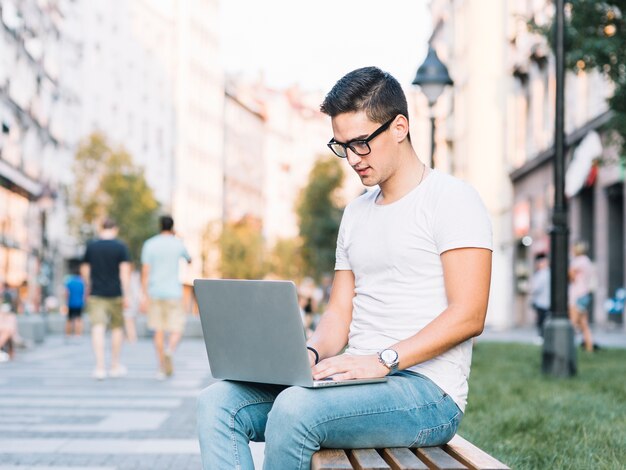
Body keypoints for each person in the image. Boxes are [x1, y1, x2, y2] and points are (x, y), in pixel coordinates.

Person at [196, 66, 493, 469]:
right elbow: (339, 313)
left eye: (361, 143)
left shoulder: (453, 199)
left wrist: (382, 359)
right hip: (356, 381)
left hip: (427, 393)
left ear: (400, 127)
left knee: (296, 409)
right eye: (342, 146)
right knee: (218, 402)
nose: (353, 158)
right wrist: (310, 354)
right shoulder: (355, 213)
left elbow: (469, 314)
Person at [140, 215, 191, 379]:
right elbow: (189, 260)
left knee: (158, 331)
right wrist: (179, 238)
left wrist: (144, 295)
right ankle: (170, 350)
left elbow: (145, 272)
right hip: (173, 293)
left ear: (159, 225)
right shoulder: (178, 244)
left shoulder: (150, 244)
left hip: (155, 292)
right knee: (177, 327)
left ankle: (161, 368)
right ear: (172, 227)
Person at [81, 218, 131, 380]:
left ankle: (100, 367)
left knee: (98, 328)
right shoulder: (121, 247)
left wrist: (89, 285)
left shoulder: (91, 246)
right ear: (115, 229)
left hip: (96, 293)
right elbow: (124, 272)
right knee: (117, 328)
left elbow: (85, 268)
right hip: (116, 293)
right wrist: (126, 293)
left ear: (100, 228)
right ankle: (114, 365)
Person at [568, 240, 595, 352]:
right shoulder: (587, 261)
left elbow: (571, 275)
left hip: (576, 295)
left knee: (572, 324)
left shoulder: (578, 261)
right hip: (585, 294)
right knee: (584, 324)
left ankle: (568, 348)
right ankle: (589, 347)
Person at [530, 252, 550, 338]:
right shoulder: (548, 273)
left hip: (542, 302)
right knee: (544, 320)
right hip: (545, 301)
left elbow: (535, 288)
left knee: (541, 321)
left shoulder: (542, 274)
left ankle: (541, 336)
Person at [64, 264, 86, 339]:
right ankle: (78, 334)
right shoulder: (82, 282)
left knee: (69, 319)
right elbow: (84, 294)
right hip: (79, 303)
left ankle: (68, 334)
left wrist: (66, 302)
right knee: (78, 319)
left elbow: (66, 293)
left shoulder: (69, 282)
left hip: (70, 303)